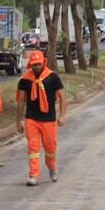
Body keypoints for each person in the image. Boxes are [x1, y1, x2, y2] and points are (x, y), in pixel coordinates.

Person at [16, 50, 65, 186]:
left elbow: (61, 96)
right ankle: (34, 174)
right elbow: (21, 101)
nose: (36, 67)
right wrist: (18, 121)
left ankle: (52, 167)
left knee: (50, 147)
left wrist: (62, 116)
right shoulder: (25, 80)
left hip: (49, 119)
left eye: (38, 64)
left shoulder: (53, 77)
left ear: (43, 62)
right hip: (31, 118)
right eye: (34, 65)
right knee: (33, 147)